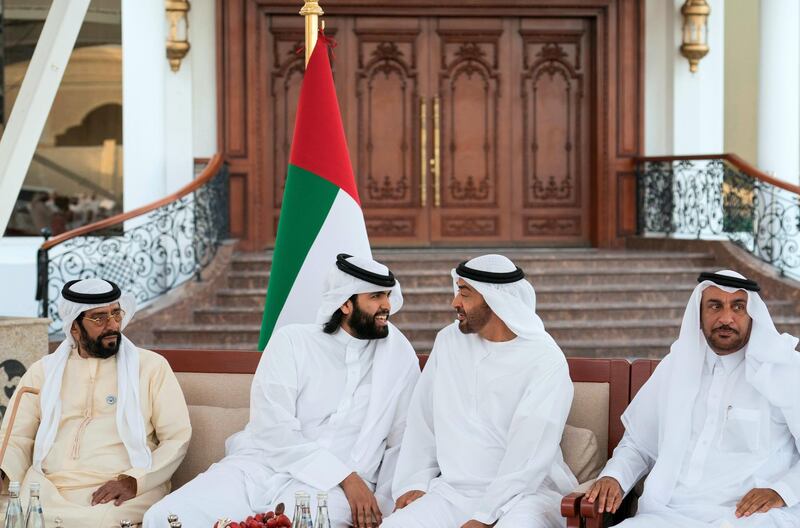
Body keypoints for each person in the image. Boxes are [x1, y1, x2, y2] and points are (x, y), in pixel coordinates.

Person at [144, 254, 420, 527]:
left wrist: (386, 504)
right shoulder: (293, 342)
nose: (387, 305)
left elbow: (403, 437)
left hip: (334, 492)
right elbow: (273, 429)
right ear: (345, 304)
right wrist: (346, 477)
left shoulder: (397, 357)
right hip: (260, 466)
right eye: (375, 297)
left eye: (387, 295)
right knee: (168, 516)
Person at [586, 270, 800, 527]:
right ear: (698, 314)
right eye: (715, 306)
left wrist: (783, 491)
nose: (726, 318)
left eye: (738, 307)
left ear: (752, 314)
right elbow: (639, 445)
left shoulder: (786, 370)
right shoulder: (675, 368)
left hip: (749, 518)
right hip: (667, 514)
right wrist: (615, 477)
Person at [382, 254, 577, 528]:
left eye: (465, 293)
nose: (454, 302)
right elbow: (422, 419)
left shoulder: (544, 359)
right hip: (452, 492)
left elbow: (528, 455)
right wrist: (414, 481)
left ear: (495, 299)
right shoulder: (448, 342)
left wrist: (485, 517)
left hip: (526, 497)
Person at [0, 278, 192, 527]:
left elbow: (177, 438)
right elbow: (16, 437)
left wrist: (134, 480)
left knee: (97, 522)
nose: (112, 325)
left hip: (119, 489)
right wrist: (4, 471)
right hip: (47, 487)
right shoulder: (44, 372)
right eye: (99, 318)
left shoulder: (150, 368)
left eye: (116, 314)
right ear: (74, 328)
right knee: (15, 515)